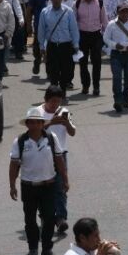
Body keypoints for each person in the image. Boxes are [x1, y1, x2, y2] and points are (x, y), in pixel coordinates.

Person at [8, 106, 68, 255]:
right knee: (30, 219)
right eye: (31, 122)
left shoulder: (51, 138)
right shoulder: (20, 141)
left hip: (49, 185)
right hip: (28, 186)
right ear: (27, 124)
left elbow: (59, 160)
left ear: (42, 124)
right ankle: (33, 247)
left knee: (49, 218)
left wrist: (65, 180)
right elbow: (14, 165)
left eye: (38, 122)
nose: (34, 125)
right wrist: (12, 185)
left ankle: (47, 248)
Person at [39, 86, 77, 235]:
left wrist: (66, 122)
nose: (55, 105)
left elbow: (73, 132)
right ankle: (45, 216)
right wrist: (52, 122)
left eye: (58, 102)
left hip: (60, 154)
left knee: (60, 187)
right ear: (46, 100)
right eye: (52, 101)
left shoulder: (64, 112)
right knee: (43, 188)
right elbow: (34, 131)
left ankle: (61, 218)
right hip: (42, 154)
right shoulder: (37, 112)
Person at [104, 2, 128, 112]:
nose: (125, 13)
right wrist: (115, 45)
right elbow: (106, 38)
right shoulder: (112, 24)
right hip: (116, 54)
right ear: (118, 12)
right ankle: (118, 100)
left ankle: (126, 99)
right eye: (122, 11)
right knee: (117, 78)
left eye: (126, 11)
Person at [39, 0, 79, 91]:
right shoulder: (45, 12)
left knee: (66, 71)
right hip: (52, 46)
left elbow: (74, 29)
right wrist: (41, 46)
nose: (56, 0)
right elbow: (41, 30)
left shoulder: (68, 11)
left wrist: (76, 45)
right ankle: (54, 94)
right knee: (53, 71)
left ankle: (63, 93)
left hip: (65, 46)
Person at [73, 0, 107, 95]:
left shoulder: (100, 3)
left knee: (97, 62)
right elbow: (73, 22)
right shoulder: (77, 3)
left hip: (96, 35)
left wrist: (105, 40)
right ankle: (85, 85)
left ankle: (96, 86)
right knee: (83, 62)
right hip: (82, 36)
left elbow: (105, 22)